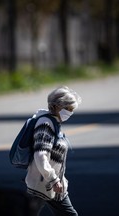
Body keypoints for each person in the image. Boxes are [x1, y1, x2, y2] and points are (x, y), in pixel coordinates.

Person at [25, 86, 81, 216]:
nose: (70, 113)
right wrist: (54, 179)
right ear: (56, 106)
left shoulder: (54, 123)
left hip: (52, 186)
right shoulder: (46, 124)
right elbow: (40, 154)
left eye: (72, 110)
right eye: (68, 109)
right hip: (42, 184)